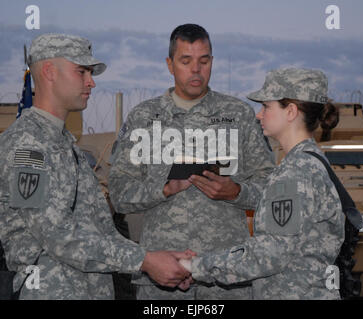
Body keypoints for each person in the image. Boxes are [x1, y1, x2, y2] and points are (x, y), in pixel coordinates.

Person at [0, 33, 192, 300]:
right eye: (81, 71)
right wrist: (145, 260)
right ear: (49, 72)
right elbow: (57, 236)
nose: (91, 82)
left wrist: (158, 263)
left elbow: (102, 232)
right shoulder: (26, 147)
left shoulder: (67, 147)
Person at [108, 24, 275, 299]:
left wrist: (236, 192)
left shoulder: (238, 115)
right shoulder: (144, 118)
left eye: (204, 60)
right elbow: (119, 193)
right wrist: (163, 190)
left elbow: (269, 188)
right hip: (163, 278)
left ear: (212, 62)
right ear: (170, 64)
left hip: (226, 278)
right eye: (186, 61)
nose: (196, 70)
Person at [184, 67, 345, 299]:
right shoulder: (308, 162)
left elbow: (268, 255)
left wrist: (195, 266)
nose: (259, 115)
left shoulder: (296, 173)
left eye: (266, 106)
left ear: (290, 111)